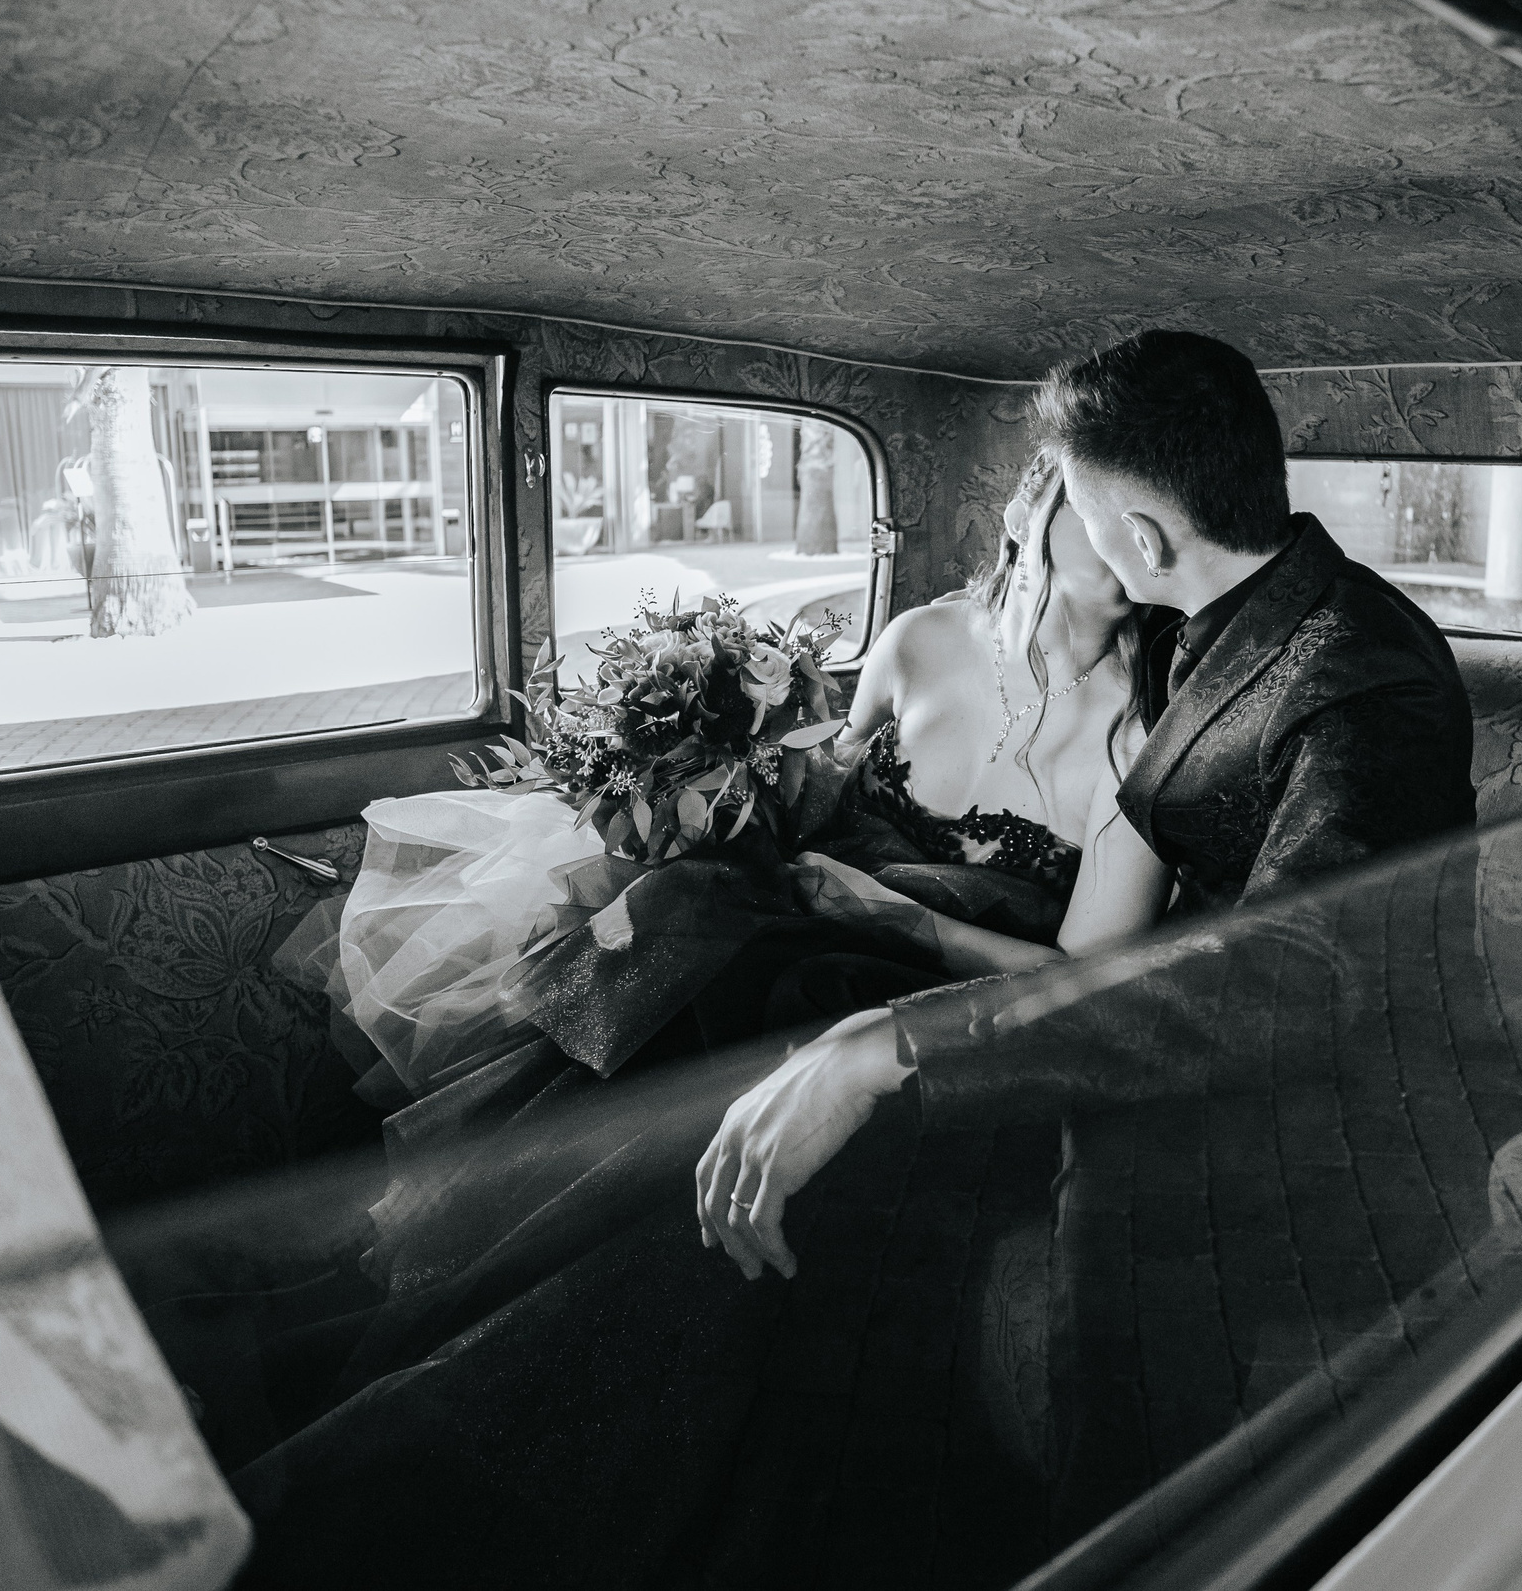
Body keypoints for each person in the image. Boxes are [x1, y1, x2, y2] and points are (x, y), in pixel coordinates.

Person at [214, 454, 1171, 1588]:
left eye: (1157, 518)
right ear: (1039, 504)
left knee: (751, 1086)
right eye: (1113, 502)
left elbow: (1080, 988)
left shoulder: (1153, 730)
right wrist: (716, 807)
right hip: (781, 950)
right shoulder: (919, 639)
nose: (1137, 540)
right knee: (673, 941)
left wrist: (900, 923)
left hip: (944, 1027)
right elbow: (819, 797)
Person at [695, 329, 1478, 1541]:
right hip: (1193, 1025)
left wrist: (902, 1044)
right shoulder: (1216, 618)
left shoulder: (1361, 682)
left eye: (1090, 505)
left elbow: (1292, 977)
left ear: (1142, 537)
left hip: (1333, 1115)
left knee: (1045, 1204)